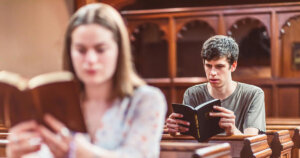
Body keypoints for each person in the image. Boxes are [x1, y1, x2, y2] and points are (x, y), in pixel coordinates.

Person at [6, 3, 167, 158]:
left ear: (119, 49)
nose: (90, 59)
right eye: (81, 50)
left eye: (100, 49)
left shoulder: (146, 100)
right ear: (70, 51)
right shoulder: (55, 101)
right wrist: (18, 155)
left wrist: (83, 154)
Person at [166, 35, 266, 136]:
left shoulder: (254, 94)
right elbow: (188, 138)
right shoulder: (192, 93)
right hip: (202, 151)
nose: (212, 73)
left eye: (219, 66)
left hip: (236, 151)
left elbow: (252, 143)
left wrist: (232, 131)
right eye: (208, 66)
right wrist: (175, 133)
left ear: (233, 66)